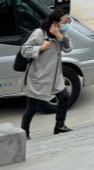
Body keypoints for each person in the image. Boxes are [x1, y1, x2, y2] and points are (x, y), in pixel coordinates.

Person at [20, 8, 73, 138]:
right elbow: (24, 51)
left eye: (68, 21)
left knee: (64, 97)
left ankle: (59, 126)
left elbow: (69, 48)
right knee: (32, 108)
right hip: (39, 76)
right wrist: (41, 48)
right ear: (55, 23)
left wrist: (59, 35)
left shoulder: (61, 33)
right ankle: (24, 134)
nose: (66, 24)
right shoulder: (39, 33)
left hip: (55, 77)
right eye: (64, 22)